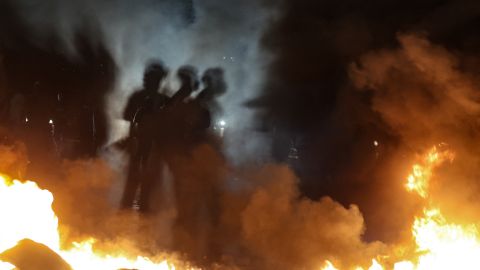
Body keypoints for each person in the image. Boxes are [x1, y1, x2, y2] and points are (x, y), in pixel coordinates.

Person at [120, 62, 169, 211]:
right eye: (151, 78)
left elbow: (170, 122)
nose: (152, 82)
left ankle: (146, 214)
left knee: (150, 183)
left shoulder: (163, 100)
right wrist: (142, 112)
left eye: (156, 79)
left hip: (155, 147)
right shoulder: (138, 97)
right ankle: (123, 215)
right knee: (132, 181)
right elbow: (127, 115)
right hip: (138, 143)